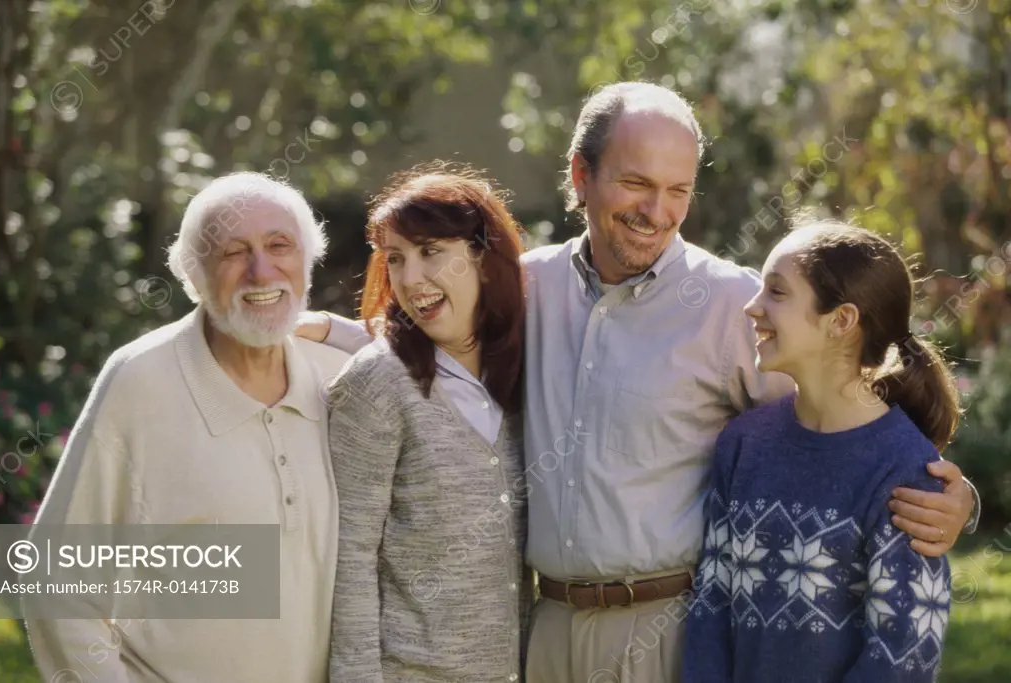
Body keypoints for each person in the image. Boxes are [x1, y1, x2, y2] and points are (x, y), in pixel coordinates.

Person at [297, 82, 979, 682]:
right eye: (637, 183)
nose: (658, 210)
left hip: (670, 631)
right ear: (581, 174)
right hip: (548, 629)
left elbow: (839, 415)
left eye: (677, 190)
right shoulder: (526, 286)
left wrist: (954, 498)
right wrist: (321, 333)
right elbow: (442, 348)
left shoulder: (733, 306)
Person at [25, 172, 350, 683]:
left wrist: (343, 331)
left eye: (279, 245)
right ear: (195, 278)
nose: (261, 271)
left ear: (307, 262)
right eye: (233, 253)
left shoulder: (341, 379)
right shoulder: (142, 378)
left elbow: (443, 360)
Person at [683, 220, 955, 682]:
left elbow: (903, 654)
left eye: (777, 292)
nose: (752, 307)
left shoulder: (905, 470)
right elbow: (711, 606)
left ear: (842, 321)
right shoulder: (743, 444)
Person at [326, 166, 533, 682]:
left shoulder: (527, 373)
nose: (411, 279)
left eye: (431, 251)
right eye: (395, 259)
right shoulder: (377, 382)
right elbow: (349, 559)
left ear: (482, 260)